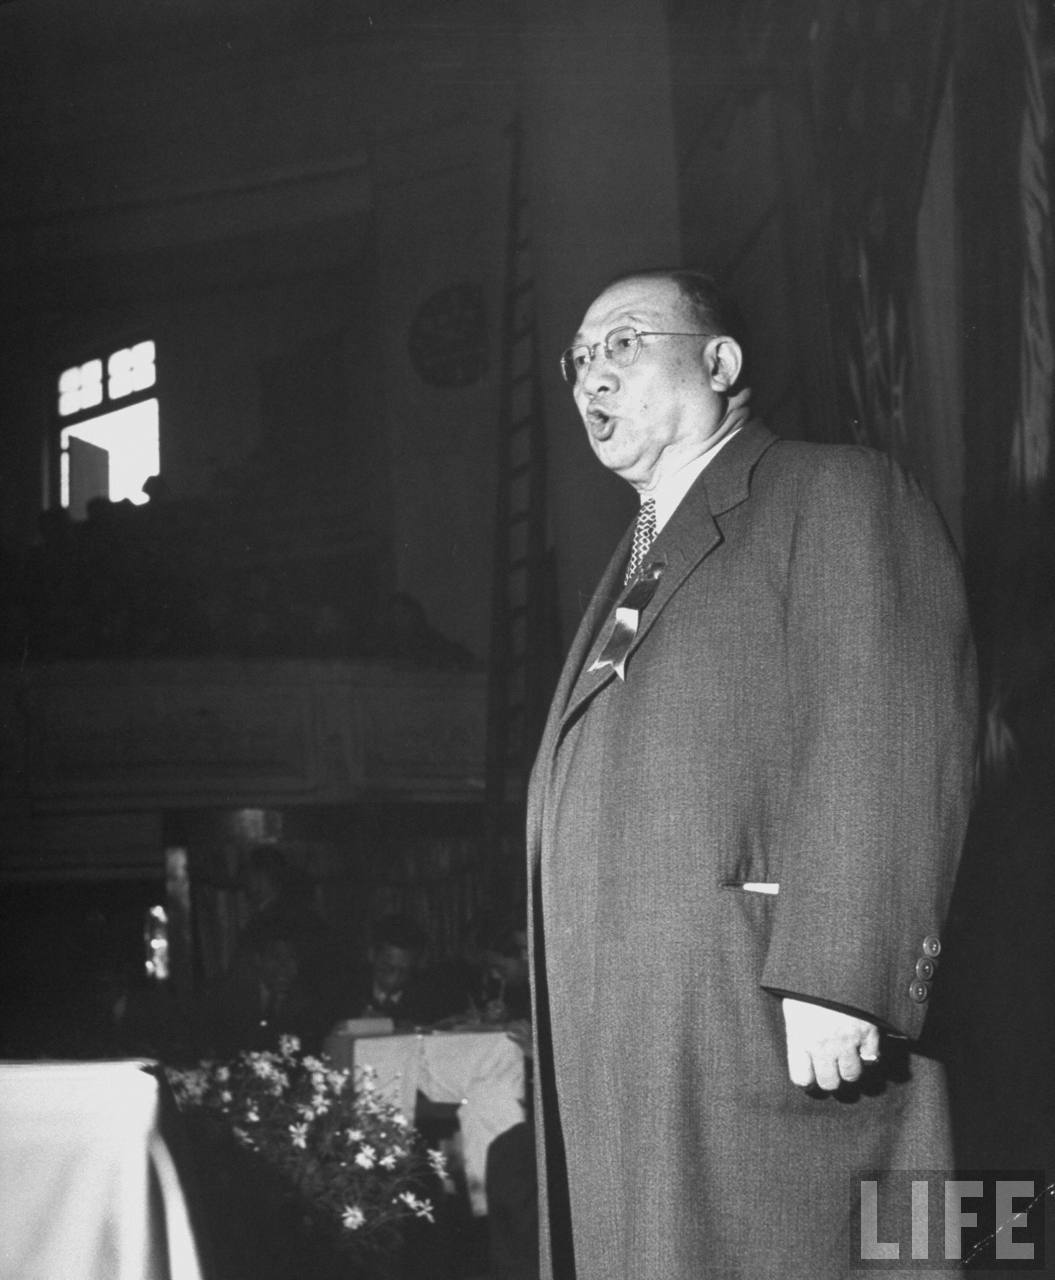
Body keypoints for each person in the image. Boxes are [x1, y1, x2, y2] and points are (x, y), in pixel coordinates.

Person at [527, 269, 978, 1280]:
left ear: (720, 361)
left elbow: (888, 714)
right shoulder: (639, 553)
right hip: (641, 1038)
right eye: (578, 357)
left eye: (623, 342)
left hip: (761, 1015)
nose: (591, 375)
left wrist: (842, 973)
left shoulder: (834, 490)